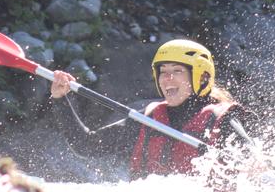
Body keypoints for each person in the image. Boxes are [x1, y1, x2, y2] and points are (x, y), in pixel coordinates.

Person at [50, 38, 258, 179]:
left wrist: (249, 166)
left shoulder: (221, 120)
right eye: (163, 71)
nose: (168, 78)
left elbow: (254, 161)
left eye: (177, 71)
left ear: (201, 77)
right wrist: (61, 98)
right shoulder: (146, 120)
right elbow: (85, 145)